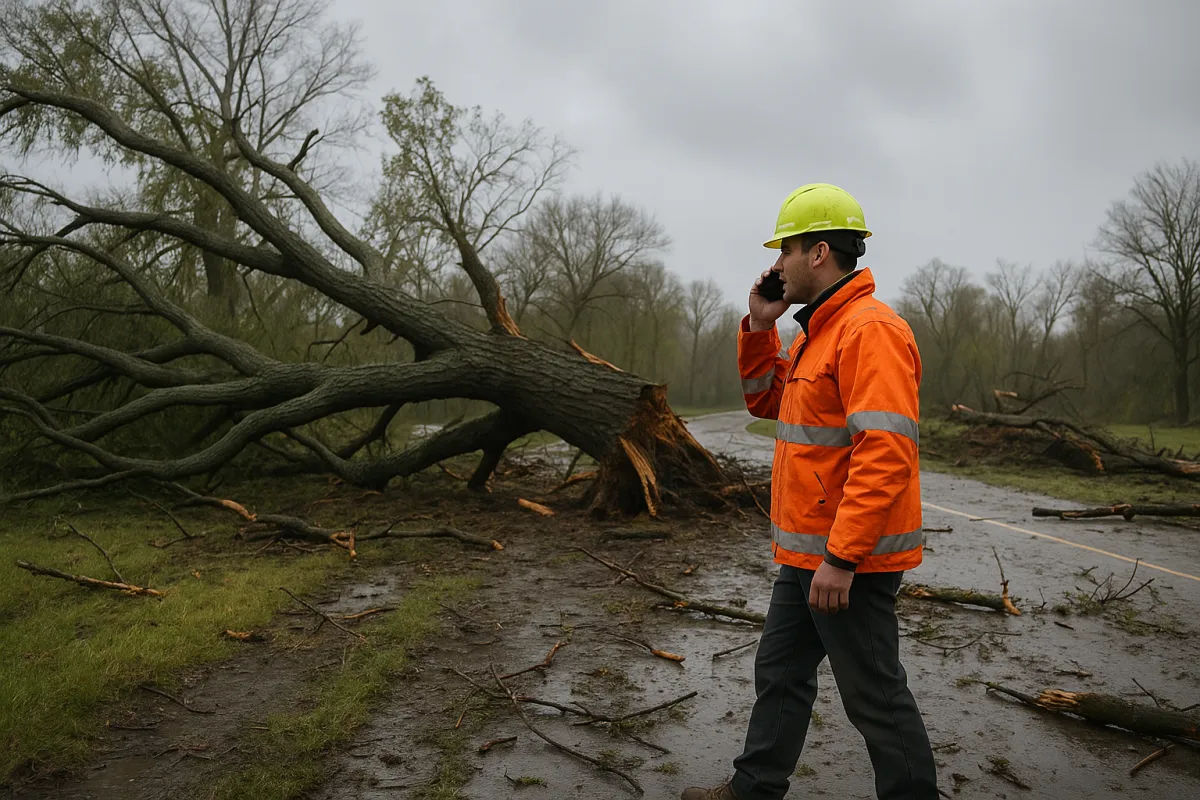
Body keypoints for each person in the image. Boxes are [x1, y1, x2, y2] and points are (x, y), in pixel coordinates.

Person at [681, 184, 939, 800]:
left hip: (849, 561)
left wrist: (843, 558)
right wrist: (759, 327)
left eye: (785, 251)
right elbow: (765, 401)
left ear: (819, 251)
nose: (775, 266)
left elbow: (885, 451)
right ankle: (755, 788)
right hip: (806, 557)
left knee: (874, 696)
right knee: (780, 674)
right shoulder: (814, 334)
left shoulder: (869, 331)